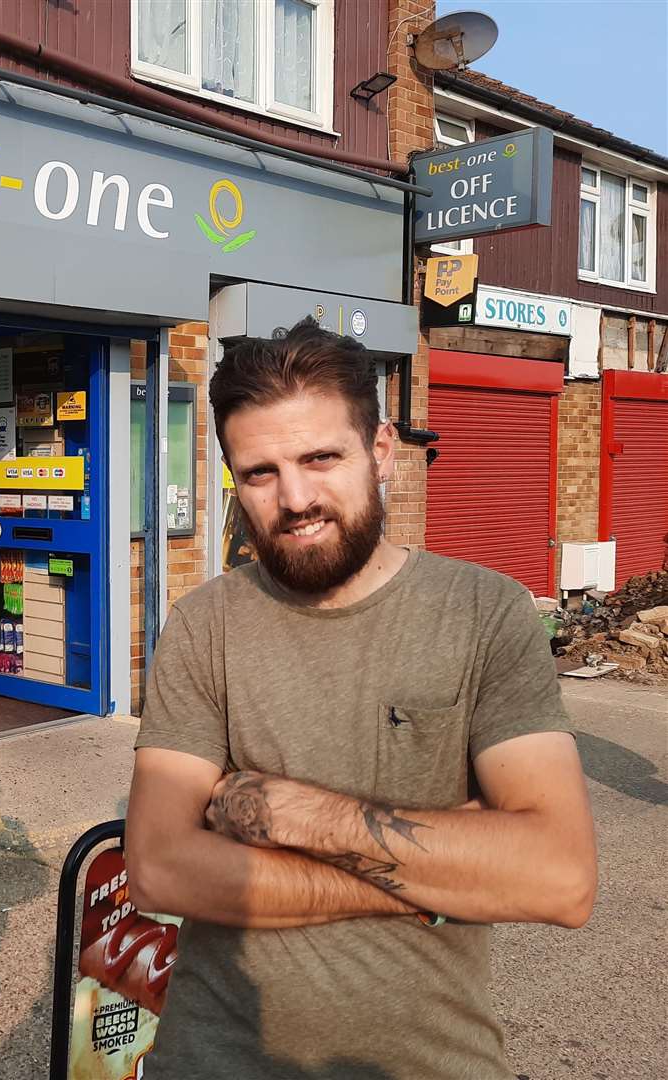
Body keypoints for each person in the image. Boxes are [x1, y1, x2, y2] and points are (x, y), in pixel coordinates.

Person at [125, 318, 597, 1080]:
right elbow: (157, 867)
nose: (294, 498)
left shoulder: (483, 613)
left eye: (320, 457)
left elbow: (558, 877)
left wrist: (296, 815)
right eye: (259, 473)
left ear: (379, 451)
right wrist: (428, 882)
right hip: (215, 1061)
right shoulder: (203, 625)